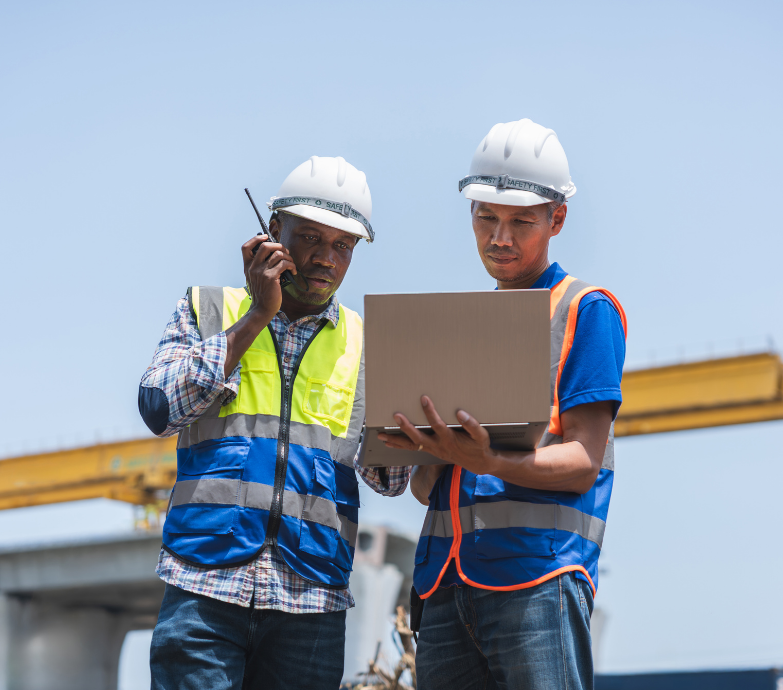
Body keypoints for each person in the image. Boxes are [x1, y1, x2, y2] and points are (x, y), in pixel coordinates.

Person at [140, 156, 411, 690]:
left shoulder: (366, 344)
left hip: (309, 605)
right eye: (311, 238)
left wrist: (420, 414)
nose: (326, 259)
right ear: (272, 233)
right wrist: (256, 317)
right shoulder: (208, 310)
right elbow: (159, 407)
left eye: (343, 246)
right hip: (205, 589)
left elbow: (392, 481)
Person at [380, 119, 627, 690]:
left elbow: (584, 462)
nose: (500, 237)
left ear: (556, 219)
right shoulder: (459, 327)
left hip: (537, 578)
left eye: (520, 221)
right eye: (485, 217)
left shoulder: (584, 311)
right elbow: (424, 490)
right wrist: (435, 449)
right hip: (444, 585)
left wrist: (488, 461)